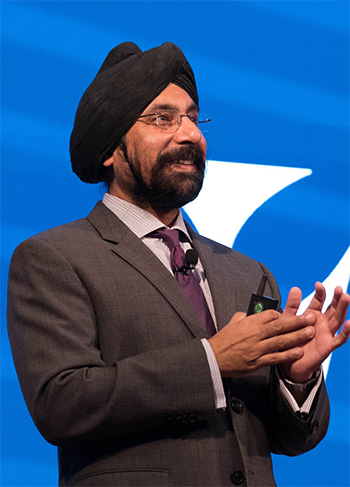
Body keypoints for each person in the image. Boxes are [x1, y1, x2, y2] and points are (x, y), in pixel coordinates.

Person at [7, 42, 350, 487]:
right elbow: (62, 404)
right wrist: (213, 360)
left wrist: (296, 379)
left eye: (192, 116)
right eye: (162, 118)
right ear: (110, 149)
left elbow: (289, 439)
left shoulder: (247, 271)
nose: (190, 134)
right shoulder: (55, 257)